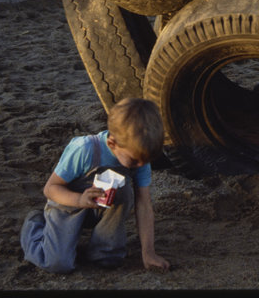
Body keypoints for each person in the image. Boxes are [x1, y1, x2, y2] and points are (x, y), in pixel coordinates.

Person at [20, 98, 170, 274]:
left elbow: (143, 203)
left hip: (101, 207)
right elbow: (50, 189)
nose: (141, 165)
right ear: (112, 143)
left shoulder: (139, 156)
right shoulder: (84, 149)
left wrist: (148, 252)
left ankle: (102, 249)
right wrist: (79, 200)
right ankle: (35, 224)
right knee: (57, 264)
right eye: (134, 161)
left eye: (146, 160)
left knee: (110, 260)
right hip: (68, 205)